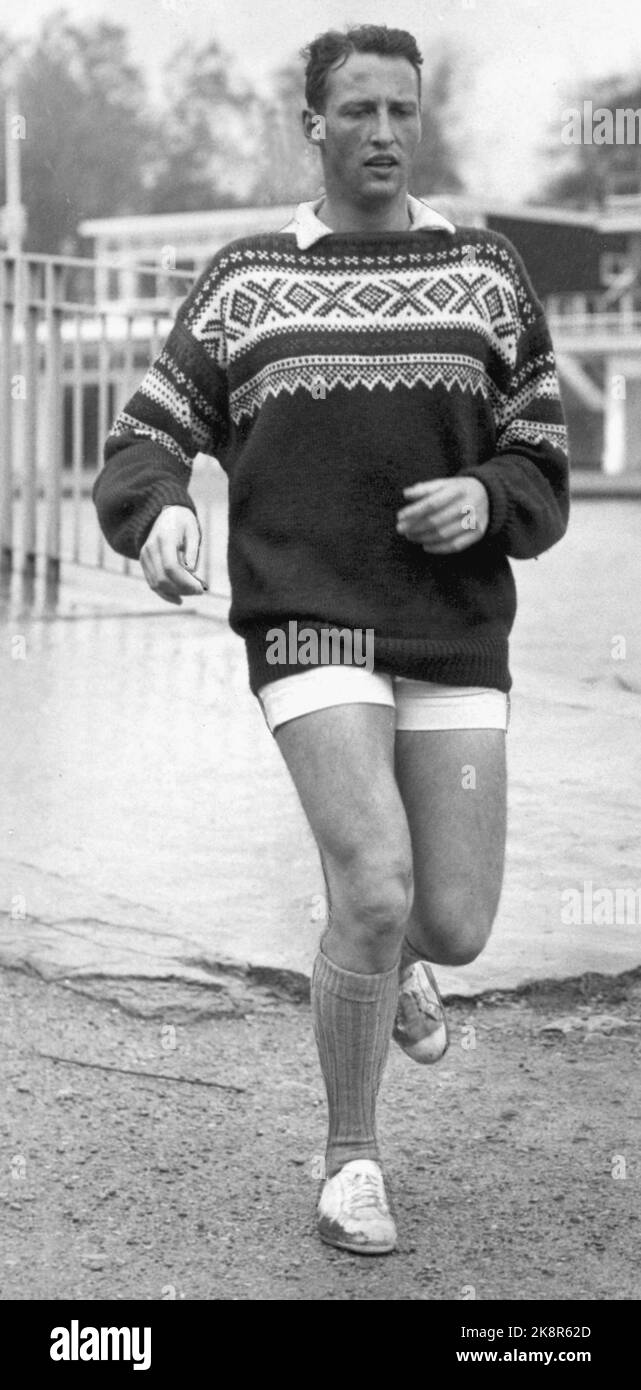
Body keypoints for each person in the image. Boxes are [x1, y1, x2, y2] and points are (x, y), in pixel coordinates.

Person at [93, 24, 569, 1256]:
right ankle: (350, 1158)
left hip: (453, 627)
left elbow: (543, 457)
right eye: (355, 110)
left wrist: (492, 499)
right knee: (369, 882)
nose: (381, 132)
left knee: (450, 920)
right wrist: (153, 521)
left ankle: (397, 957)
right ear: (312, 125)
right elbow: (148, 434)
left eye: (400, 110)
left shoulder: (484, 271)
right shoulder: (245, 278)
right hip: (306, 620)